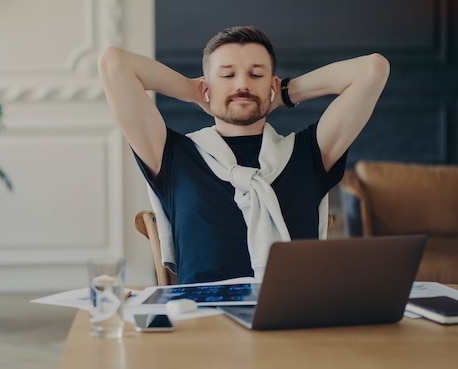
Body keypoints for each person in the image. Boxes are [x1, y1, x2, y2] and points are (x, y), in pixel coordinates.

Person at [98, 25, 390, 284]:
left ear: (272, 84)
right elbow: (114, 63)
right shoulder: (172, 155)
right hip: (204, 324)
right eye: (227, 75)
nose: (242, 85)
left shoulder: (309, 153)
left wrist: (285, 94)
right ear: (207, 86)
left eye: (256, 75)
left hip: (295, 321)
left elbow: (373, 69)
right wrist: (194, 91)